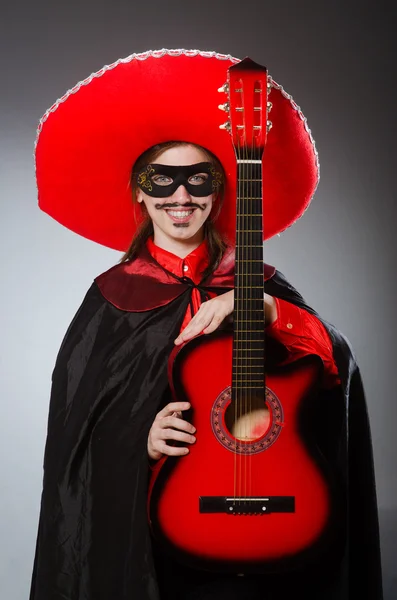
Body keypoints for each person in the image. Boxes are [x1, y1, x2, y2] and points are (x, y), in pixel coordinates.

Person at [29, 50, 383, 600]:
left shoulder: (258, 281)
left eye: (199, 180)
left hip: (270, 528)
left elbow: (336, 370)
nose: (181, 197)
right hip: (156, 538)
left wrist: (262, 308)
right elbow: (75, 446)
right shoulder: (112, 298)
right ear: (139, 193)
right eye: (162, 181)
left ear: (219, 193)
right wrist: (138, 441)